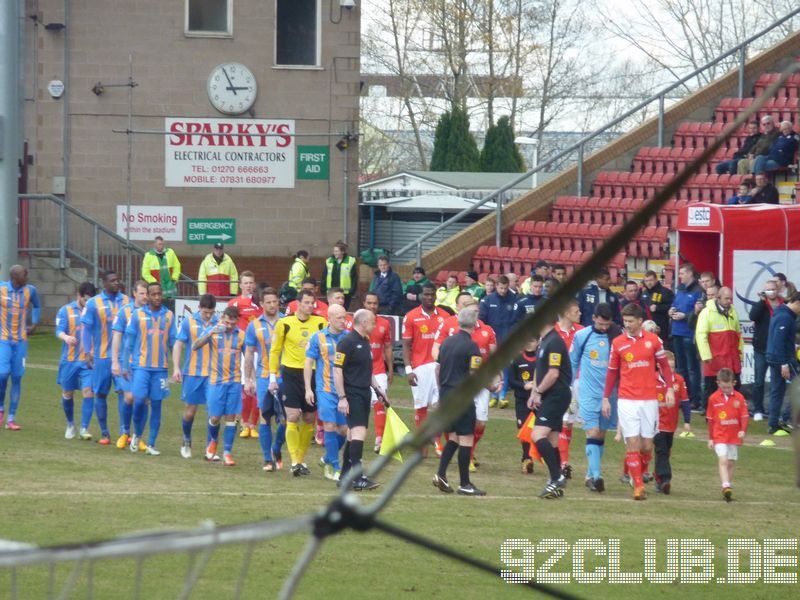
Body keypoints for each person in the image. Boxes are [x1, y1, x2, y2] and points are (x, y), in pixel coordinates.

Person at [603, 303, 674, 501]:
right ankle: (639, 486)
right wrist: (606, 398)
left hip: (649, 400)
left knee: (646, 446)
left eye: (631, 321)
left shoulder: (653, 341)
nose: (627, 325)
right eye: (625, 321)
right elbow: (611, 372)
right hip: (627, 399)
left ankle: (638, 474)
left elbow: (665, 367)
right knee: (632, 442)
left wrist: (669, 387)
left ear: (640, 321)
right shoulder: (618, 343)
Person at [432, 293, 497, 471]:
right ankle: (464, 479)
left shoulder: (486, 331)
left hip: (451, 389)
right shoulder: (469, 345)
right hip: (468, 389)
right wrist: (490, 385)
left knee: (472, 426)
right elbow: (474, 372)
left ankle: (441, 473)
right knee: (464, 434)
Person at [269, 290, 327, 475]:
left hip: (313, 375)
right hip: (291, 374)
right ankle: (294, 462)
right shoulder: (284, 323)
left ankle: (301, 460)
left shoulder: (320, 323)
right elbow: (275, 350)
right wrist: (272, 377)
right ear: (298, 304)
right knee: (292, 416)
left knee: (309, 418)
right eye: (307, 302)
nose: (310, 306)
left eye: (312, 303)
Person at [570, 303, 623, 493]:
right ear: (593, 319)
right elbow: (573, 361)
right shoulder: (582, 336)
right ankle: (597, 477)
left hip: (610, 395)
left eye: (607, 325)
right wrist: (569, 388)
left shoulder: (617, 336)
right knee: (592, 432)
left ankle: (590, 474)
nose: (604, 328)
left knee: (600, 434)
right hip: (588, 393)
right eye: (601, 324)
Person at [121, 282, 178, 456]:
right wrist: (124, 365)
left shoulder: (169, 315)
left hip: (161, 369)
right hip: (141, 367)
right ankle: (137, 434)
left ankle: (152, 443)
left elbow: (173, 342)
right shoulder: (137, 315)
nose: (157, 297)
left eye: (159, 294)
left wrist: (176, 367)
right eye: (153, 294)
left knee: (157, 405)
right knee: (139, 401)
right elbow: (129, 341)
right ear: (148, 296)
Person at [334, 309, 386, 491]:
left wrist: (378, 389)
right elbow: (337, 370)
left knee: (351, 435)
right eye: (372, 322)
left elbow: (368, 371)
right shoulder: (347, 342)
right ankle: (358, 478)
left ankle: (343, 477)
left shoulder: (365, 342)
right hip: (352, 393)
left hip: (364, 393)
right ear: (363, 322)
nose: (375, 325)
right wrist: (342, 397)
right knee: (359, 433)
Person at [191, 305, 244, 466]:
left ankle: (227, 452)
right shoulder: (214, 332)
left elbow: (248, 356)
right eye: (227, 322)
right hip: (215, 381)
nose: (229, 326)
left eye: (232, 323)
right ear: (222, 319)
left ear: (237, 321)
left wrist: (249, 378)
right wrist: (211, 332)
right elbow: (195, 346)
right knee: (214, 418)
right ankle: (213, 440)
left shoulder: (241, 335)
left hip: (234, 381)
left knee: (231, 417)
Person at [81, 271, 129, 443]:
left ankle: (125, 432)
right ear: (104, 283)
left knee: (124, 392)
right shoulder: (93, 303)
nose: (117, 283)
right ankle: (105, 433)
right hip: (102, 357)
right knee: (101, 394)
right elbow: (85, 329)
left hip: (123, 358)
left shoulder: (126, 301)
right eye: (113, 280)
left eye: (118, 280)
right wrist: (87, 352)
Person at [529, 317, 573, 499]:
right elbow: (540, 371)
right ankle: (555, 482)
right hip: (550, 394)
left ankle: (556, 477)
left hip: (556, 395)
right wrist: (534, 392)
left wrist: (538, 391)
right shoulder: (545, 341)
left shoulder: (554, 342)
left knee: (537, 435)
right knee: (553, 439)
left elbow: (553, 373)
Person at [304, 304, 349, 481]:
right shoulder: (318, 337)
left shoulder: (348, 338)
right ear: (329, 318)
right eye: (339, 318)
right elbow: (308, 363)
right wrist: (308, 388)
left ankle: (327, 457)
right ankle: (336, 467)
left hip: (343, 391)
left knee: (344, 430)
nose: (343, 321)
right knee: (329, 425)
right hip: (324, 389)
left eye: (345, 317)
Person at [244, 287, 286, 471]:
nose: (272, 305)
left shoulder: (287, 321)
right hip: (263, 377)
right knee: (264, 417)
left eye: (274, 301)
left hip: (286, 377)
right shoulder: (254, 325)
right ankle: (267, 459)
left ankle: (277, 447)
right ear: (261, 304)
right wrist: (248, 379)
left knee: (287, 418)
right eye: (268, 302)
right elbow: (249, 353)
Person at [171, 293, 218, 459]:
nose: (208, 315)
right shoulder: (188, 322)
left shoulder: (218, 323)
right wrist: (176, 368)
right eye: (206, 312)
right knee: (190, 412)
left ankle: (210, 449)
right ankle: (186, 440)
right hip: (192, 373)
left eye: (211, 312)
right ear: (199, 308)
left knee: (214, 413)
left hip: (213, 375)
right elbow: (178, 345)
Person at [402, 282, 447, 454]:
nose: (429, 297)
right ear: (421, 296)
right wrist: (408, 370)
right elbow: (406, 345)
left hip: (439, 367)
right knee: (421, 406)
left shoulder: (444, 316)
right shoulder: (411, 316)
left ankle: (437, 441)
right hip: (419, 367)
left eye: (432, 294)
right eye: (426, 294)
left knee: (440, 406)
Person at [0, 265, 40, 430]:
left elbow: (37, 305)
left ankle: (11, 418)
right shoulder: (2, 289)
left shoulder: (30, 290)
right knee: (2, 374)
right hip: (3, 340)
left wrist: (35, 323)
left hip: (21, 342)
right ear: (15, 277)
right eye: (25, 274)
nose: (27, 276)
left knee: (16, 378)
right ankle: (1, 407)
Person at [56, 282, 97, 440]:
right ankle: (71, 423)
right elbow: (59, 330)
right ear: (79, 296)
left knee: (88, 391)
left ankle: (84, 428)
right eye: (86, 299)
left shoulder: (94, 311)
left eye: (91, 300)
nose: (88, 303)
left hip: (87, 361)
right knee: (68, 393)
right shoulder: (65, 310)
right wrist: (66, 337)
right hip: (70, 361)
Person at [110, 280, 148, 449]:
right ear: (134, 294)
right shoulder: (125, 312)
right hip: (127, 363)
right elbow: (117, 336)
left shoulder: (151, 313)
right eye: (141, 293)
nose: (145, 297)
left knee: (143, 400)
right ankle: (125, 432)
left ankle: (137, 437)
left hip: (144, 364)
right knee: (129, 397)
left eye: (146, 293)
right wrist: (115, 361)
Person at [226, 271, 264, 439]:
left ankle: (254, 424)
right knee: (244, 387)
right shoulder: (234, 303)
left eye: (251, 283)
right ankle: (244, 423)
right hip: (242, 351)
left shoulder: (259, 303)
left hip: (259, 351)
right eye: (245, 283)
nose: (248, 285)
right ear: (240, 285)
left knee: (257, 388)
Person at [695, 286, 743, 413]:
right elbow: (701, 335)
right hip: (714, 359)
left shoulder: (733, 312)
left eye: (731, 298)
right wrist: (706, 356)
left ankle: (732, 413)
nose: (729, 301)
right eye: (727, 298)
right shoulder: (707, 313)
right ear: (718, 298)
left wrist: (740, 355)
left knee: (735, 386)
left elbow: (738, 336)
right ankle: (709, 414)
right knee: (711, 388)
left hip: (731, 359)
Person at [706, 368, 749, 502]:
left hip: (733, 436)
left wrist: (743, 430)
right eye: (723, 387)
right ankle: (725, 485)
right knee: (723, 460)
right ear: (718, 383)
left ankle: (727, 488)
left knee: (730, 463)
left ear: (734, 383)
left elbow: (744, 415)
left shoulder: (739, 398)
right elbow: (710, 420)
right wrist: (711, 438)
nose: (726, 389)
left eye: (728, 387)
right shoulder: (713, 398)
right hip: (719, 436)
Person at [554, 299, 583, 477]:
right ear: (566, 313)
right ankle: (562, 463)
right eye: (576, 311)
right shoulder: (553, 333)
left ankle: (562, 460)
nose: (580, 313)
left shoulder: (582, 332)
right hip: (559, 383)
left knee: (569, 423)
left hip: (578, 383)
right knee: (562, 422)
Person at [362, 292, 393, 453]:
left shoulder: (385, 323)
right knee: (361, 405)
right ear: (364, 304)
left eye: (375, 303)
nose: (372, 306)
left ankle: (380, 439)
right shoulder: (355, 323)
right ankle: (356, 436)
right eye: (369, 303)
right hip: (360, 371)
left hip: (379, 369)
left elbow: (387, 347)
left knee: (380, 402)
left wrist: (391, 368)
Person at [479, 274, 517, 408]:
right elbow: (482, 320)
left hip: (507, 340)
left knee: (505, 369)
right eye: (501, 288)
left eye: (505, 288)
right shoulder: (488, 300)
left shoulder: (514, 299)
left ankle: (501, 396)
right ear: (496, 286)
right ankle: (494, 395)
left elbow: (516, 320)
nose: (503, 291)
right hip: (491, 341)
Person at [765, 291, 800, 436]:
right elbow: (779, 341)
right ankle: (787, 419)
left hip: (775, 357)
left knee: (777, 391)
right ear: (797, 303)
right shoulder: (785, 317)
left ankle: (774, 424)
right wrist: (784, 364)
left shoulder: (782, 313)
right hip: (781, 358)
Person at [653, 351, 688, 494]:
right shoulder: (652, 379)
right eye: (668, 367)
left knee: (666, 452)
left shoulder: (678, 380)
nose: (670, 370)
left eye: (673, 367)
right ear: (658, 366)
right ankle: (665, 479)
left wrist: (687, 421)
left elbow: (685, 401)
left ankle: (658, 479)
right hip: (657, 424)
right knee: (661, 450)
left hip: (671, 424)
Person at [669, 263, 703, 411]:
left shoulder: (698, 291)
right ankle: (683, 397)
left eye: (682, 273)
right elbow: (675, 304)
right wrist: (671, 311)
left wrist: (685, 316)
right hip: (677, 332)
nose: (680, 276)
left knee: (692, 369)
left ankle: (694, 399)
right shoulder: (680, 290)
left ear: (690, 274)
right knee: (681, 368)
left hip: (689, 333)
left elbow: (700, 313)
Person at [748, 279, 783, 421]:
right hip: (761, 348)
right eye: (768, 289)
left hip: (777, 349)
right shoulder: (761, 304)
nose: (771, 292)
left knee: (777, 382)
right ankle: (757, 409)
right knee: (759, 381)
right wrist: (761, 301)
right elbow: (752, 316)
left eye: (773, 289)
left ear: (778, 290)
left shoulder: (783, 304)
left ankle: (774, 411)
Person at [508, 337, 539, 474]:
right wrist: (524, 385)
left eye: (532, 340)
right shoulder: (517, 359)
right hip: (522, 400)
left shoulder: (542, 359)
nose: (528, 343)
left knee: (538, 431)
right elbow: (511, 381)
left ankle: (537, 457)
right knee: (524, 430)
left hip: (539, 400)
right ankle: (526, 458)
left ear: (538, 342)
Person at [141, 236, 180, 311]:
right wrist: (154, 282)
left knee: (171, 311)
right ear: (154, 244)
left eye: (162, 244)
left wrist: (175, 277)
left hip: (170, 291)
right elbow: (145, 273)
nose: (161, 246)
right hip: (158, 291)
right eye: (159, 244)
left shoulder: (170, 252)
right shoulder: (149, 256)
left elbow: (177, 265)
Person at [640, 270, 674, 349]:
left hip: (661, 328)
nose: (649, 283)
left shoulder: (666, 292)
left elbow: (672, 306)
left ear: (656, 280)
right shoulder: (644, 293)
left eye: (651, 280)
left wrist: (658, 308)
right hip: (646, 328)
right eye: (646, 281)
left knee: (660, 350)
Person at [321, 241, 357, 309]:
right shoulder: (329, 261)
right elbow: (324, 276)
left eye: (337, 251)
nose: (335, 253)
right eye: (334, 251)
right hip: (331, 291)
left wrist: (352, 290)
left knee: (343, 310)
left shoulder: (350, 261)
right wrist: (323, 288)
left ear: (342, 252)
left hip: (345, 293)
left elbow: (354, 277)